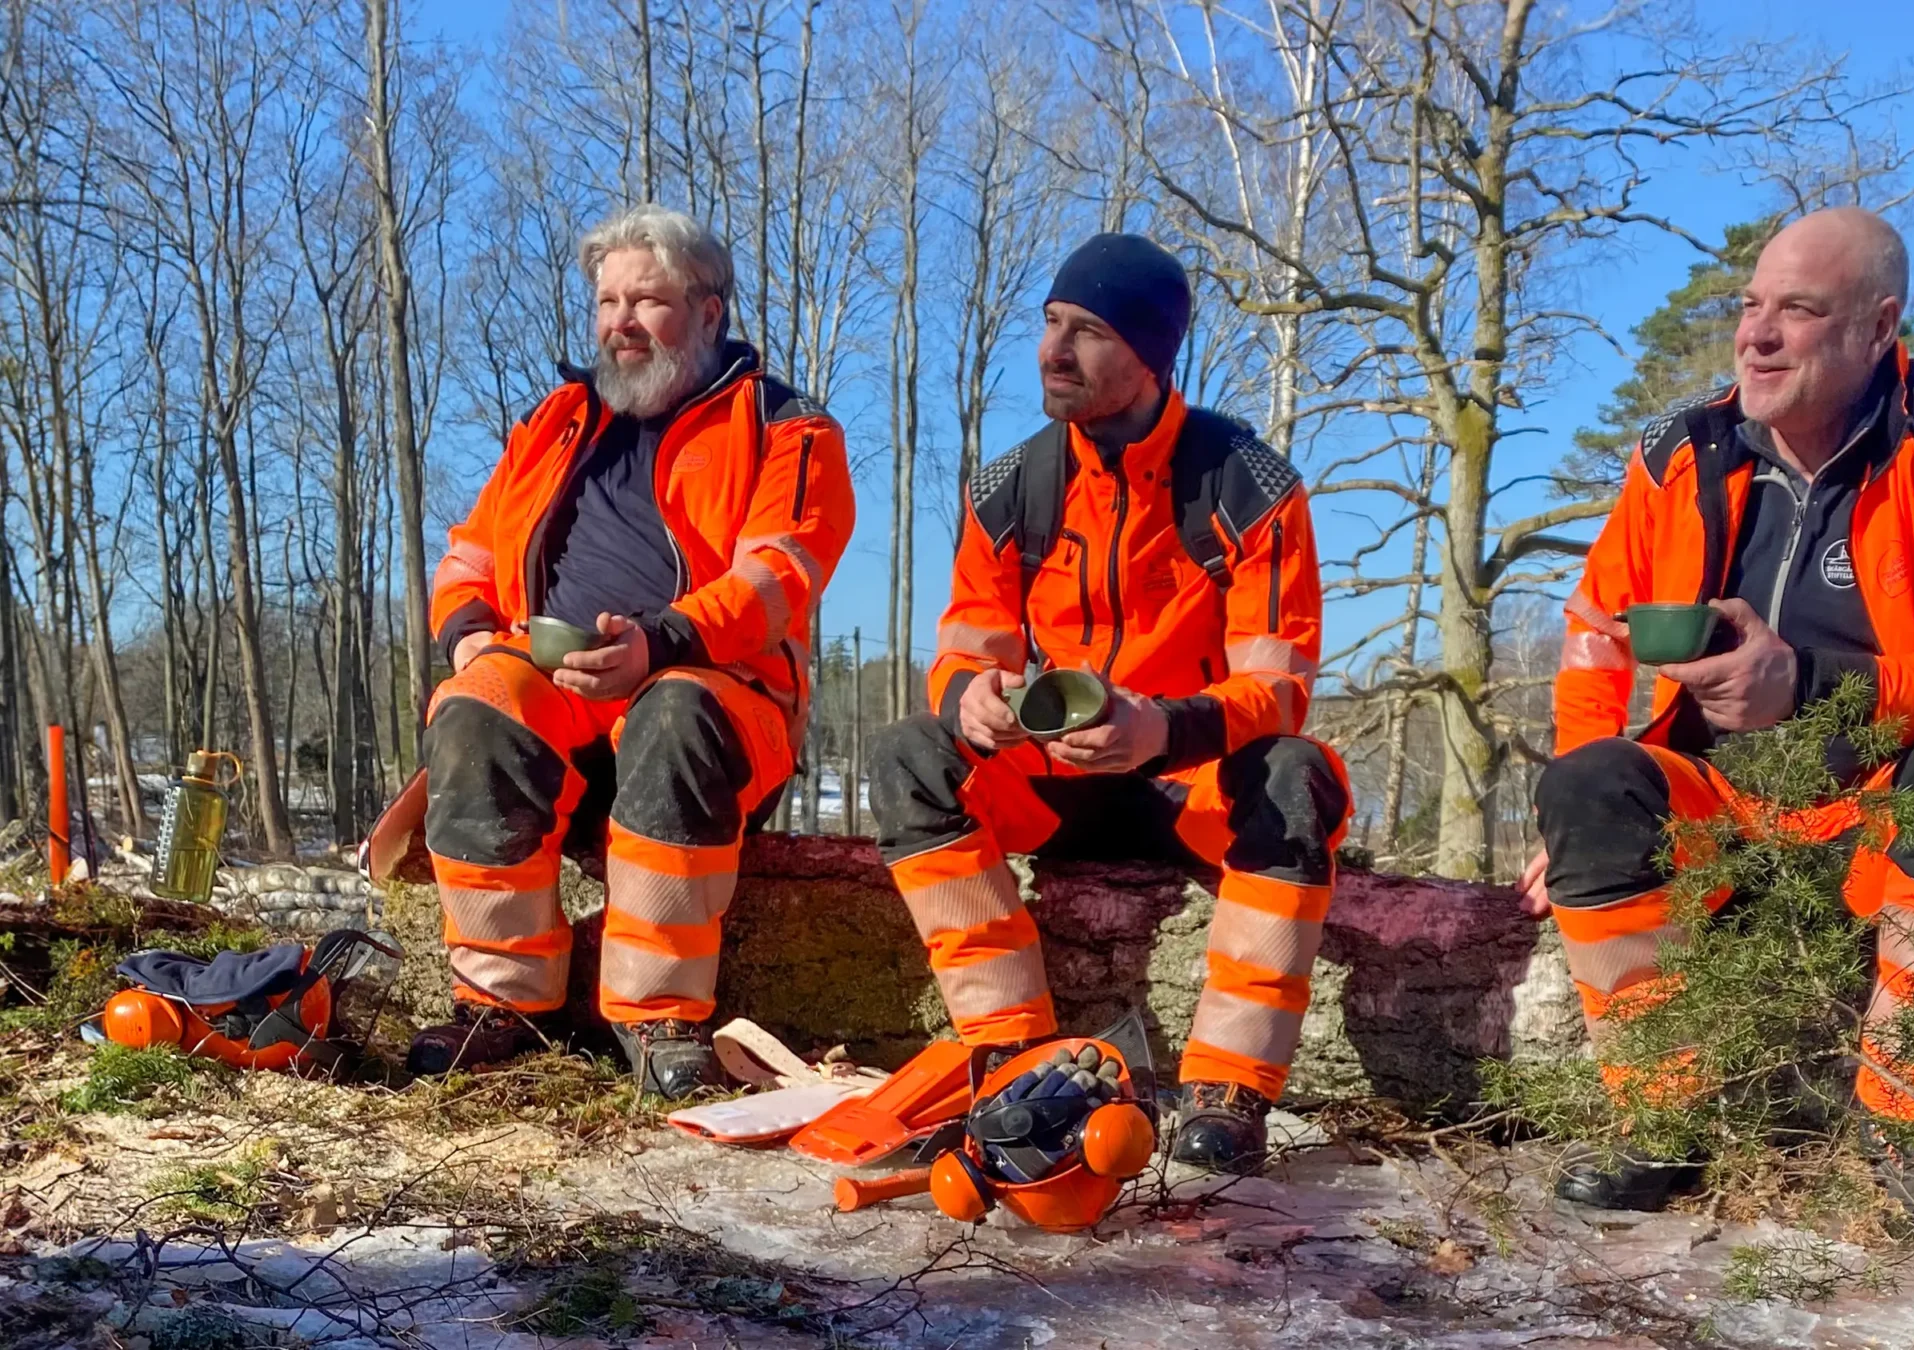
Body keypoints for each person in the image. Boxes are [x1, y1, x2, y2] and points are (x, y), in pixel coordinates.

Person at [1520, 207, 1914, 1220]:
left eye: (1800, 310)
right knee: (1587, 783)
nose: (1758, 334)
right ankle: (1662, 1120)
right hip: (1716, 802)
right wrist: (1577, 780)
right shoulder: (1676, 449)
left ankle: (1913, 1130)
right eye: (1751, 306)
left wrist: (1808, 685)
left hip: (1878, 797)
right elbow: (1596, 625)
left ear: (1879, 324)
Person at [868, 233, 1347, 1174]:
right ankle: (1009, 1050)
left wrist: (1162, 728)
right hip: (1054, 779)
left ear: (1149, 352)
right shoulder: (1009, 489)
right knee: (908, 752)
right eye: (1050, 323)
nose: (1053, 350)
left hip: (1190, 782)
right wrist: (973, 700)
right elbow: (967, 642)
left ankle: (1228, 1087)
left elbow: (1280, 685)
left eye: (1085, 331)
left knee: (1297, 775)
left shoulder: (1251, 485)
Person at [406, 204, 856, 1098]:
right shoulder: (555, 422)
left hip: (718, 697)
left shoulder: (789, 428)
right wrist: (467, 636)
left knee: (675, 706)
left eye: (645, 301)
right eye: (607, 301)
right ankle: (505, 1006)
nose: (618, 322)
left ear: (708, 311)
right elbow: (471, 555)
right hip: (559, 694)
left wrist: (664, 641)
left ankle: (656, 1020)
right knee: (474, 705)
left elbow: (780, 575)